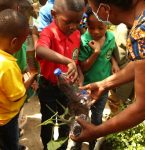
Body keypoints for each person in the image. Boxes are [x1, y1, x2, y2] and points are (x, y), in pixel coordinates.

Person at [71, 0, 145, 143]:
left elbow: (144, 107)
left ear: (103, 9)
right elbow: (143, 65)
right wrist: (104, 84)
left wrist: (96, 131)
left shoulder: (143, 32)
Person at [35, 0, 85, 149]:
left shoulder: (76, 34)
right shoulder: (48, 33)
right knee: (49, 122)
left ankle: (62, 147)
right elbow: (40, 50)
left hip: (67, 88)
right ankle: (48, 147)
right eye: (68, 21)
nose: (73, 26)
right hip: (49, 87)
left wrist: (79, 73)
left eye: (78, 21)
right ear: (54, 15)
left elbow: (75, 60)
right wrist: (67, 61)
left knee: (65, 121)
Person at [78, 7, 119, 149]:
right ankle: (77, 144)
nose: (96, 31)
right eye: (91, 27)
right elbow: (83, 67)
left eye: (100, 28)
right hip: (86, 89)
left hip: (104, 87)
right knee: (81, 118)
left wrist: (114, 63)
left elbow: (109, 54)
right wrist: (95, 52)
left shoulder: (111, 37)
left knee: (97, 118)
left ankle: (92, 145)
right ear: (86, 26)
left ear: (107, 25)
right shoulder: (83, 41)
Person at [0, 9, 36, 150]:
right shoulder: (8, 65)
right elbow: (16, 95)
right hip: (6, 118)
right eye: (22, 43)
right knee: (10, 142)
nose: (22, 46)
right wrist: (31, 77)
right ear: (14, 42)